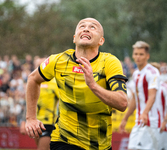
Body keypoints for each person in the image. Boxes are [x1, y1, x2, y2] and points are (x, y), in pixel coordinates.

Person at [25, 18, 128, 150]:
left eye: (93, 27)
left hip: (100, 145)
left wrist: (93, 85)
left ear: (101, 41)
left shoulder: (109, 62)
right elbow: (33, 79)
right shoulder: (58, 60)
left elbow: (122, 103)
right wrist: (30, 118)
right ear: (74, 38)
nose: (86, 28)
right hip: (63, 140)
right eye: (82, 26)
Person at [119, 41, 160, 150]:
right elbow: (135, 100)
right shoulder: (136, 73)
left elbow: (152, 96)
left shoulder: (152, 72)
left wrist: (145, 113)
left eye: (141, 54)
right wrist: (125, 118)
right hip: (139, 121)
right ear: (132, 55)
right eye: (136, 54)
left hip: (151, 121)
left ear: (147, 56)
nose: (138, 57)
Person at [20, 58, 59, 150]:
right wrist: (23, 122)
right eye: (38, 65)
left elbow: (63, 102)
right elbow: (28, 103)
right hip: (35, 123)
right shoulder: (32, 82)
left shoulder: (54, 83)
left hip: (50, 123)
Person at [150, 62, 167, 150]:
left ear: (159, 73)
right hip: (150, 127)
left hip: (163, 128)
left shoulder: (165, 88)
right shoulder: (146, 88)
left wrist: (164, 122)